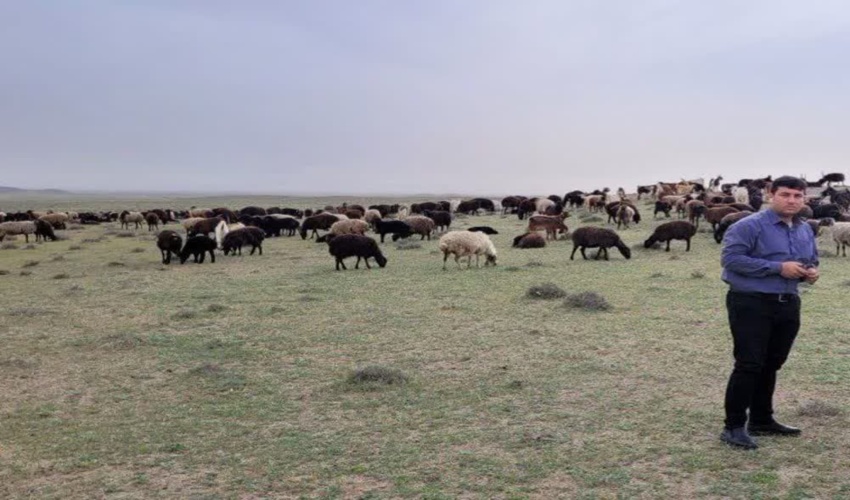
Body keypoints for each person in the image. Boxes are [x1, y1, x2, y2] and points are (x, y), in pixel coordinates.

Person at [719, 175, 819, 450]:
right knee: (749, 363)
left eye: (797, 196)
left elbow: (811, 259)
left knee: (772, 362)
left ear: (804, 198)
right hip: (751, 302)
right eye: (785, 194)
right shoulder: (748, 226)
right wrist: (778, 268)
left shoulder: (804, 229)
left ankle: (761, 419)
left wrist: (810, 271)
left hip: (788, 301)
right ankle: (733, 426)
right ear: (770, 194)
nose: (792, 200)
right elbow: (731, 260)